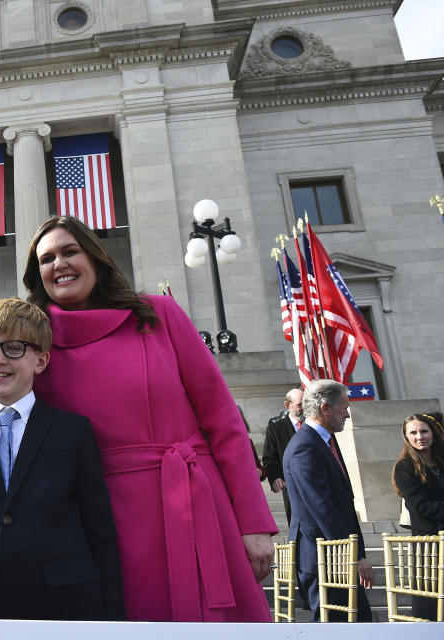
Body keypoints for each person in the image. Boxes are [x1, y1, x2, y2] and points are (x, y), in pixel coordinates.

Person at [23, 215, 276, 622]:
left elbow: (223, 421)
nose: (60, 264)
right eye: (47, 258)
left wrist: (254, 522)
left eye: (70, 251)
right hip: (103, 525)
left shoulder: (157, 314)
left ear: (95, 256)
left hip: (195, 505)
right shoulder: (32, 346)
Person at [0, 297, 124, 620]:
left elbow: (100, 530)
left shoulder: (72, 431)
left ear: (40, 360)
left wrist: (113, 621)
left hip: (66, 604)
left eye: (13, 348)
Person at [283, 379, 373, 622]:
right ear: (326, 409)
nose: (347, 414)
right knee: (337, 627)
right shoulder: (306, 446)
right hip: (326, 556)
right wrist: (352, 554)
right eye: (344, 408)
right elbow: (322, 507)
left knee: (358, 624)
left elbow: (343, 502)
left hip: (336, 554)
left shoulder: (323, 441)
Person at [392, 412, 444, 621]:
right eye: (413, 432)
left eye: (424, 431)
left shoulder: (441, 462)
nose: (419, 436)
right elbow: (421, 506)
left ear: (433, 433)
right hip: (428, 543)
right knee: (431, 605)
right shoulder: (405, 467)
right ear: (406, 437)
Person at [263, 388, 304, 525]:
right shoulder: (276, 429)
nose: (303, 408)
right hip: (292, 486)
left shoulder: (315, 424)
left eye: (306, 403)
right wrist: (275, 477)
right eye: (299, 405)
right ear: (288, 405)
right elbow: (270, 458)